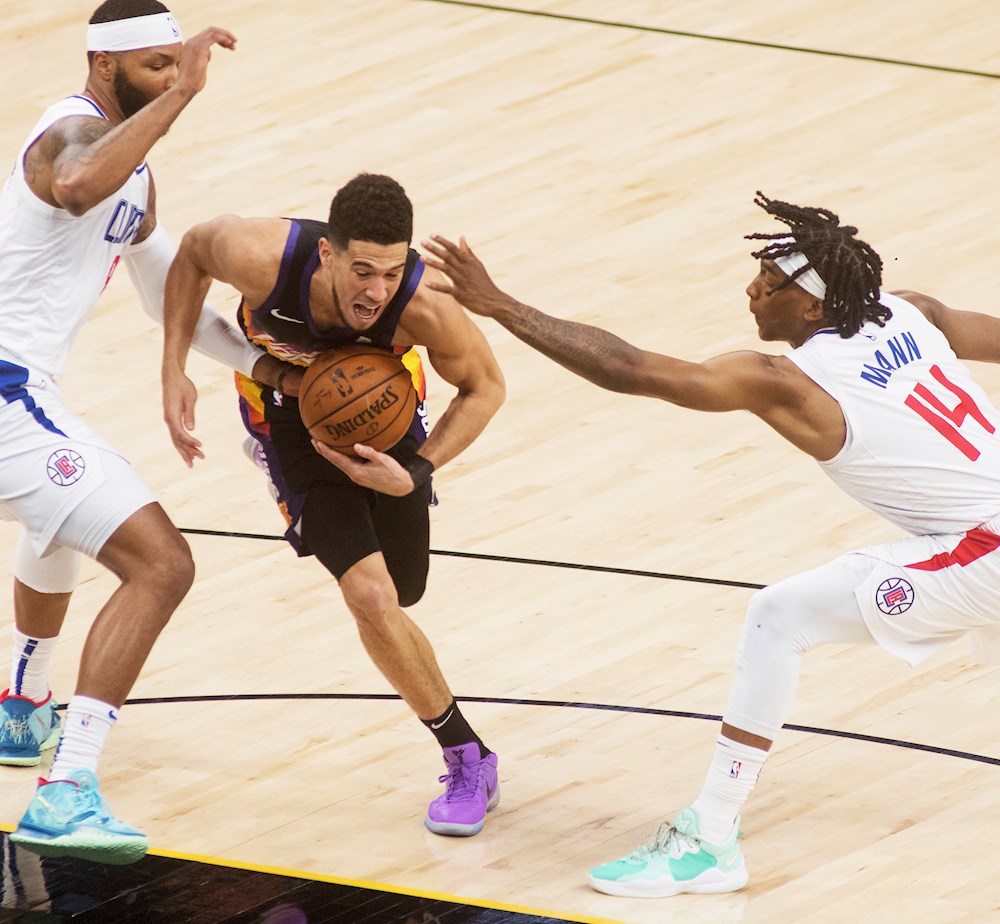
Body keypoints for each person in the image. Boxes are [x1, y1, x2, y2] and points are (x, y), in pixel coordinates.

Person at [421, 192, 1000, 896]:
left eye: (772, 282)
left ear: (814, 307)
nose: (752, 289)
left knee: (780, 616)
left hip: (988, 548)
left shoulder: (787, 382)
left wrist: (500, 305)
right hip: (978, 535)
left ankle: (711, 838)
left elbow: (631, 369)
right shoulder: (912, 313)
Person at [0, 0, 290, 864]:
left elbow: (174, 300)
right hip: (6, 394)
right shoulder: (67, 134)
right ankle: (66, 792)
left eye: (176, 66)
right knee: (162, 563)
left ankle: (24, 707)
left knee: (65, 514)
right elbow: (76, 182)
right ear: (105, 66)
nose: (171, 78)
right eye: (156, 67)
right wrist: (184, 95)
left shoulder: (136, 176)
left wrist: (277, 372)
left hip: (22, 395)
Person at [161, 172, 507, 836]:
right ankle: (467, 754)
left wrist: (416, 471)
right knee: (371, 597)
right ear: (327, 253)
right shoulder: (261, 257)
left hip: (383, 415)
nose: (376, 290)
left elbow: (487, 387)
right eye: (362, 271)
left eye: (392, 272)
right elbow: (192, 253)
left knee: (404, 591)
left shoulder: (423, 306)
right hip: (289, 419)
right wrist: (172, 366)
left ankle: (384, 506)